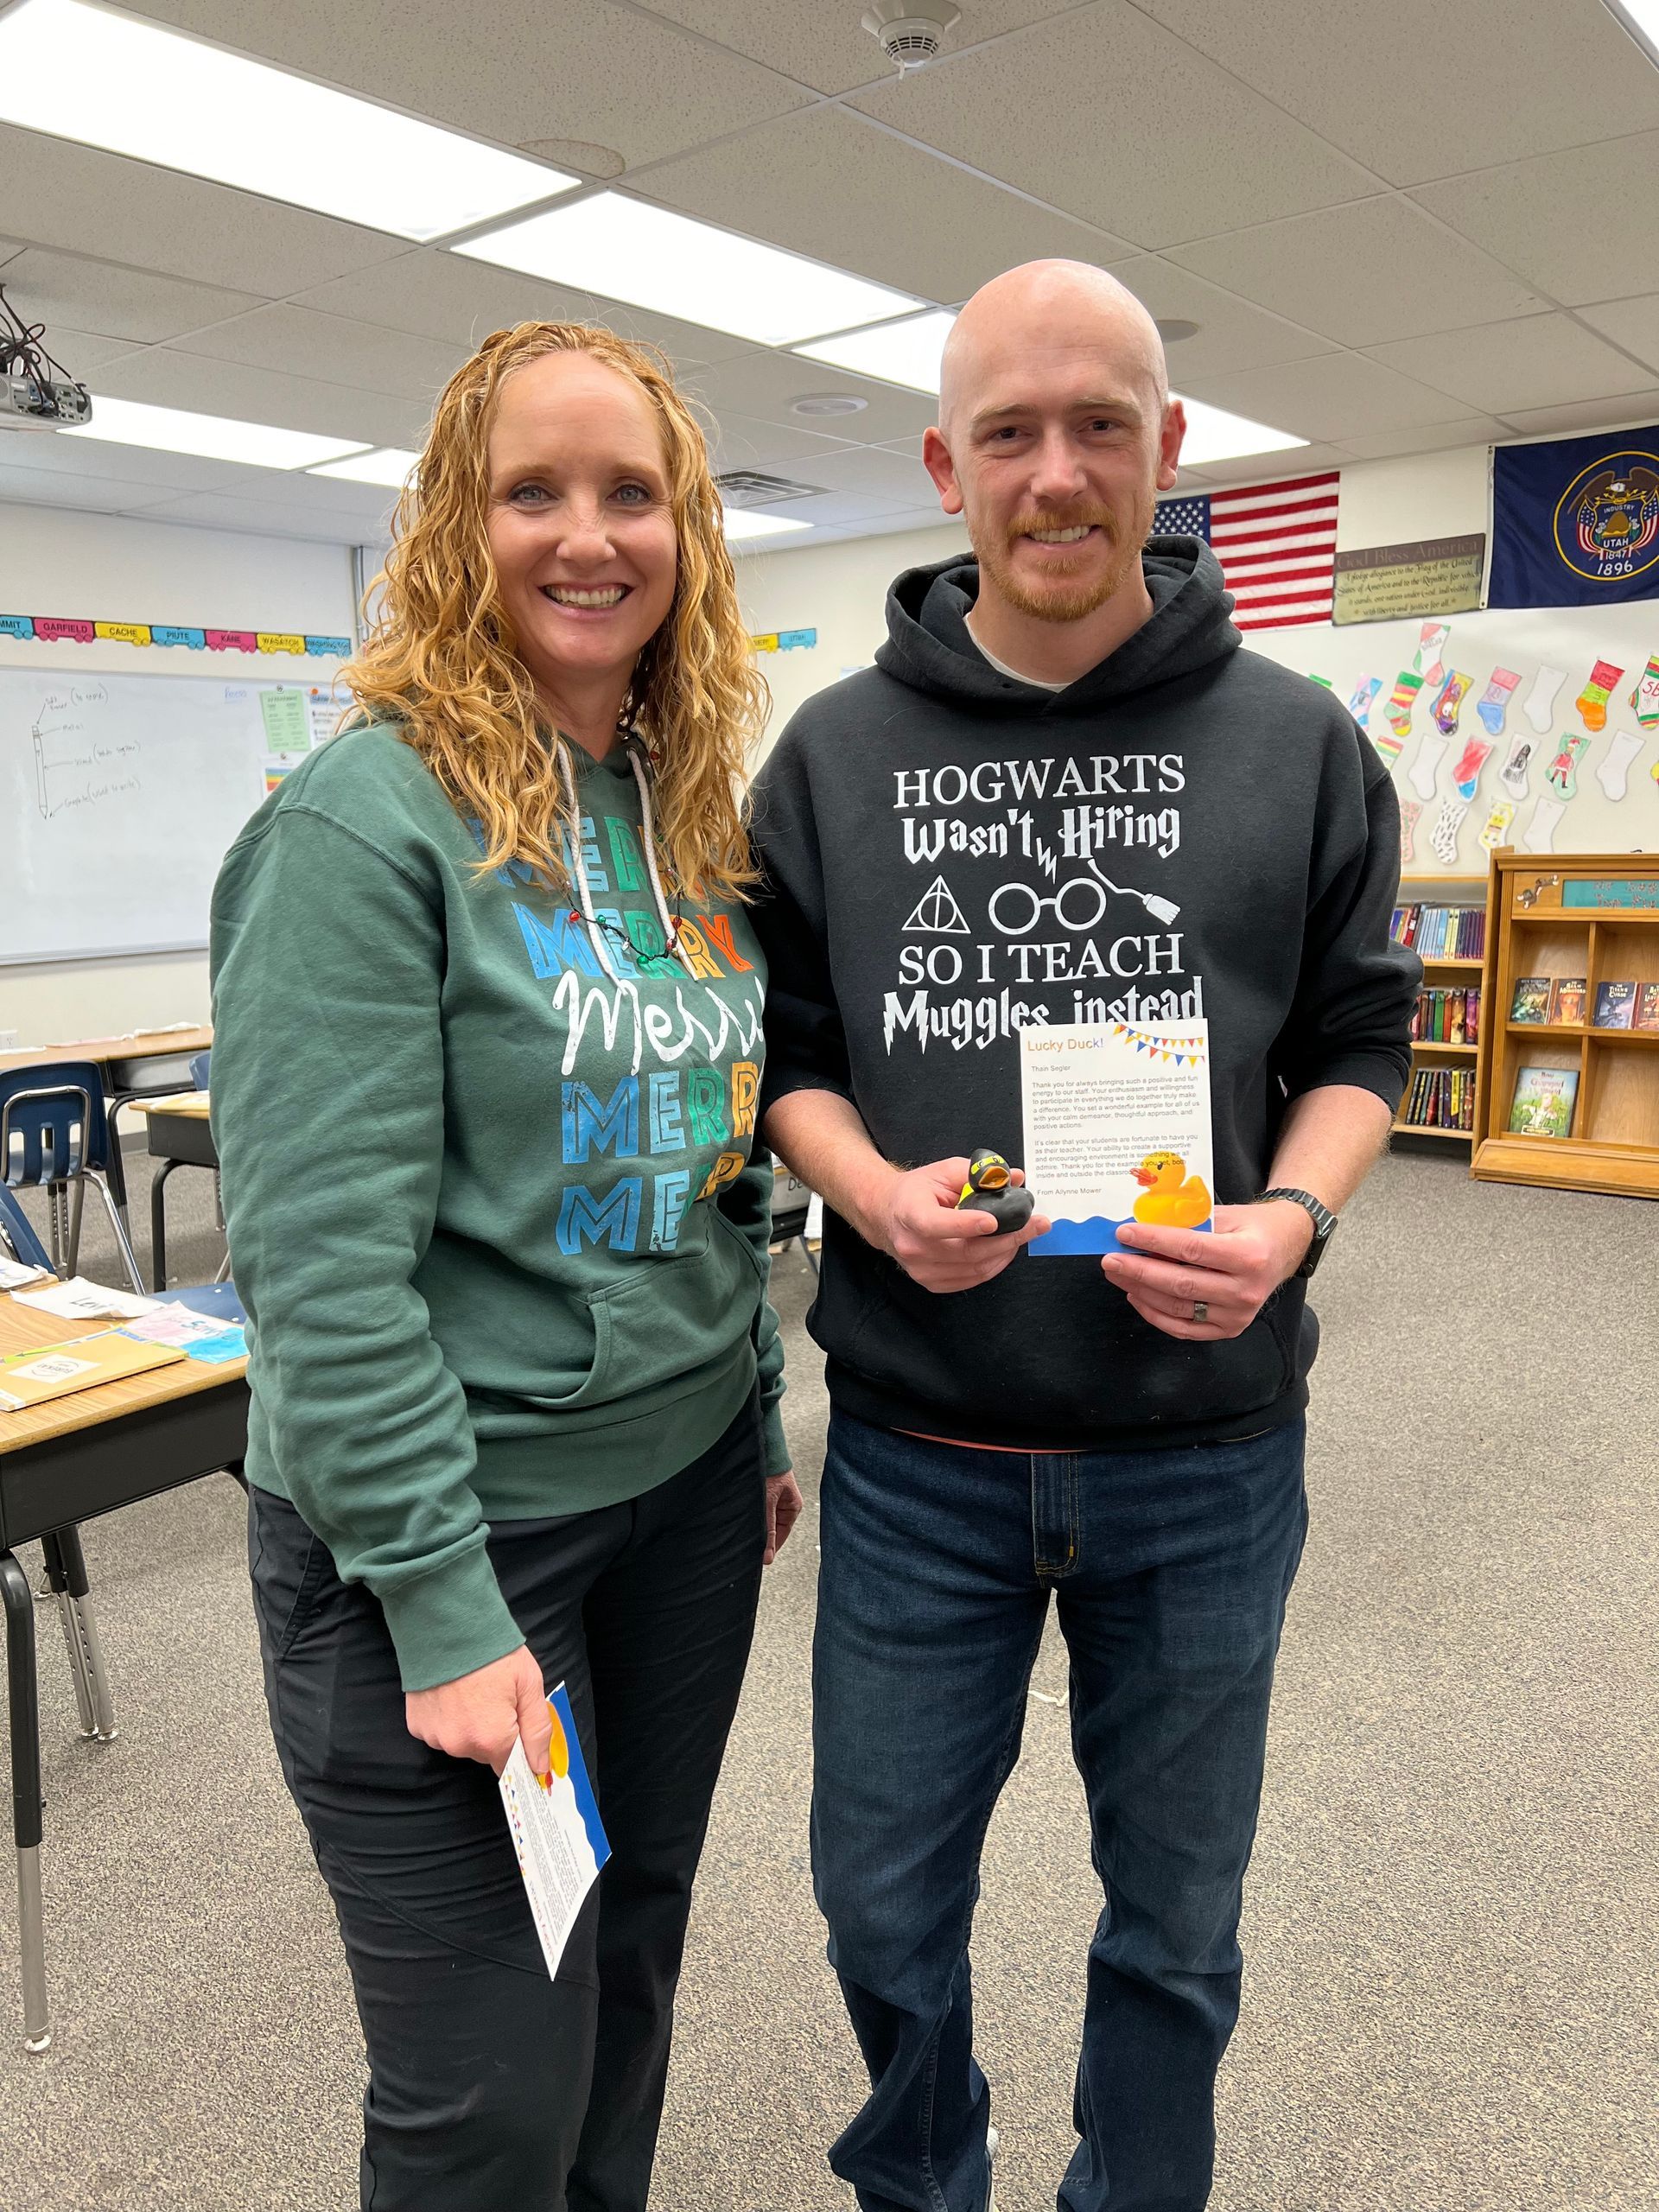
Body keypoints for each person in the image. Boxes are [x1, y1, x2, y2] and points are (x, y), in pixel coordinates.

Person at [750, 261, 1418, 2212]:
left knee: (1177, 1926)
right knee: (877, 1903)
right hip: (917, 1455)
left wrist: (1291, 1217)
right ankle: (925, 2181)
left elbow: (1361, 1040)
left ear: (1168, 448)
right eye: (1014, 435)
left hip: (1204, 1449)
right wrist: (865, 1191)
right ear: (950, 467)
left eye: (1101, 425)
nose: (1061, 476)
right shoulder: (832, 756)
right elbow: (789, 1056)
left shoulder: (1298, 743)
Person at [212, 321, 802, 2212]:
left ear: (686, 532)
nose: (586, 532)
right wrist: (450, 1604)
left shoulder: (682, 808)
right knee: (486, 2085)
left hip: (689, 1500)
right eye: (530, 488)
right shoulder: (359, 823)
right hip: (457, 1549)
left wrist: (757, 1402)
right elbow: (317, 1272)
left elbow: (712, 1164)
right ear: (454, 526)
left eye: (631, 491)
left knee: (628, 1958)